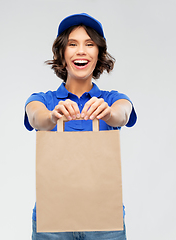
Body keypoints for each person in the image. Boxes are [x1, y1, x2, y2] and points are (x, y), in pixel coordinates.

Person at [24, 13, 137, 240]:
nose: (81, 51)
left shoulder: (112, 98)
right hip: (52, 220)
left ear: (98, 54)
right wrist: (52, 116)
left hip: (105, 222)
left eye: (90, 44)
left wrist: (109, 113)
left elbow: (124, 113)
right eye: (72, 44)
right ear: (62, 54)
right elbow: (35, 117)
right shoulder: (43, 100)